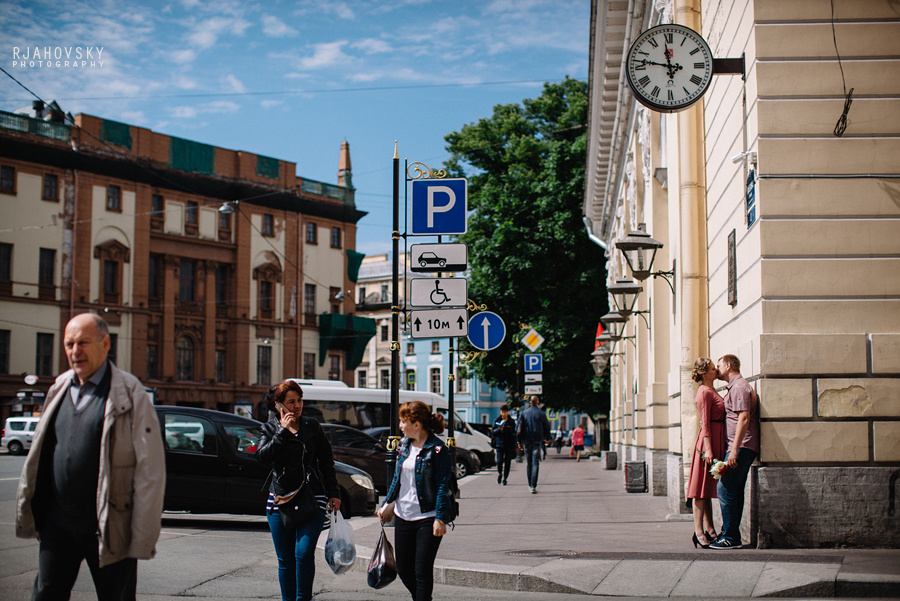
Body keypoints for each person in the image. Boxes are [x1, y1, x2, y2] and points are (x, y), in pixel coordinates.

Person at [16, 312, 166, 601]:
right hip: (57, 523)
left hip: (108, 526)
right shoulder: (59, 386)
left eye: (83, 342)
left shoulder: (129, 391)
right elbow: (39, 454)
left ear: (105, 343)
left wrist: (141, 537)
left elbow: (150, 471)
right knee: (45, 594)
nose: (75, 351)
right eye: (69, 343)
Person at [256, 380, 341, 601]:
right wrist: (283, 432)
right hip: (280, 500)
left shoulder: (312, 426)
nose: (297, 406)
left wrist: (334, 492)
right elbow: (263, 458)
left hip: (312, 497)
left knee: (303, 554)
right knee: (285, 559)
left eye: (299, 401)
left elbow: (326, 461)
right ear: (278, 405)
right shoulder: (269, 428)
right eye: (291, 402)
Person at [377, 401, 453, 601]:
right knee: (403, 568)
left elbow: (443, 486)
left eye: (403, 421)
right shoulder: (403, 445)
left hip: (427, 517)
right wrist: (388, 504)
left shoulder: (437, 449)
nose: (400, 426)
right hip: (403, 515)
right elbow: (397, 480)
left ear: (416, 424)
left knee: (421, 571)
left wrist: (440, 518)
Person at [710, 354, 760, 550]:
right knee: (733, 490)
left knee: (725, 487)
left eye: (719, 365)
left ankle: (730, 536)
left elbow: (744, 418)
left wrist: (734, 450)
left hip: (741, 447)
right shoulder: (736, 387)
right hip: (740, 447)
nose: (716, 369)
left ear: (729, 366)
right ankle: (729, 534)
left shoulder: (739, 387)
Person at [686, 357, 726, 549]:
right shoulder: (704, 392)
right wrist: (709, 449)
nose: (716, 371)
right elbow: (705, 422)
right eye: (712, 369)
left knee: (707, 488)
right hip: (707, 444)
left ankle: (710, 530)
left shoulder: (712, 390)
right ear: (704, 373)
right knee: (700, 490)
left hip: (714, 441)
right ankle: (698, 532)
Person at [516, 395, 552, 494]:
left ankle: (529, 485)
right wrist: (548, 438)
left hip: (526, 440)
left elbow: (518, 427)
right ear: (537, 402)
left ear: (530, 402)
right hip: (537, 440)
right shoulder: (541, 413)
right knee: (535, 462)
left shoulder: (524, 413)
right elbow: (546, 427)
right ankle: (533, 485)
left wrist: (519, 441)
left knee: (529, 462)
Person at [490, 404, 518, 485]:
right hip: (499, 444)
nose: (503, 414)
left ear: (507, 412)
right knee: (499, 461)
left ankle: (505, 477)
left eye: (505, 412)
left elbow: (514, 433)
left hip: (508, 444)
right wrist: (499, 429)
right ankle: (499, 474)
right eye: (502, 412)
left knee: (507, 462)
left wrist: (515, 445)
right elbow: (492, 432)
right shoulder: (497, 420)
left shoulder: (511, 421)